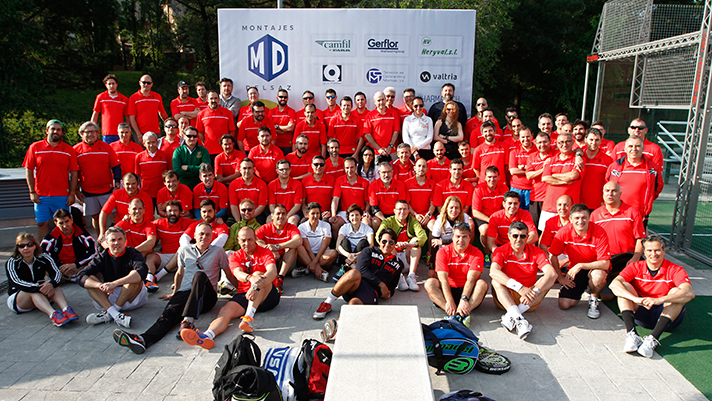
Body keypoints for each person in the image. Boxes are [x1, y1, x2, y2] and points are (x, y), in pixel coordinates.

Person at [113, 223, 233, 354]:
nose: (204, 237)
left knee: (199, 275)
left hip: (207, 297)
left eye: (208, 234)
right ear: (194, 236)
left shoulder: (218, 251)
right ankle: (143, 340)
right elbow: (180, 273)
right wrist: (175, 293)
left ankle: (188, 321)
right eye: (201, 234)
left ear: (212, 237)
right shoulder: (184, 250)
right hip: (187, 294)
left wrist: (240, 292)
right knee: (168, 315)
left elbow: (228, 273)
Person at [181, 226, 279, 346]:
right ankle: (208, 335)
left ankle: (248, 318)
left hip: (268, 295)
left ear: (255, 239)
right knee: (225, 311)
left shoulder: (265, 252)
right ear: (238, 240)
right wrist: (249, 279)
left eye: (250, 239)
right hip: (245, 293)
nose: (246, 243)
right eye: (243, 240)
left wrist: (255, 286)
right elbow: (237, 274)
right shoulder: (234, 256)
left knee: (258, 274)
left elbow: (272, 272)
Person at [610, 235, 695, 358]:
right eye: (649, 250)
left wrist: (659, 300)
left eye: (657, 250)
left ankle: (652, 339)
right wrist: (636, 299)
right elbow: (614, 284)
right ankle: (632, 335)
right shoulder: (636, 266)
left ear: (664, 250)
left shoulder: (675, 269)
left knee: (677, 292)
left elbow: (689, 293)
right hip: (642, 311)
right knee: (623, 288)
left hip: (665, 315)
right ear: (644, 252)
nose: (653, 254)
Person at [312, 228, 404, 320]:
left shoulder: (399, 264)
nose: (387, 245)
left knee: (353, 304)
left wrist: (388, 293)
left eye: (391, 243)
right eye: (384, 241)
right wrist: (381, 284)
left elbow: (392, 286)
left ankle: (338, 324)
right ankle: (327, 303)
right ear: (379, 242)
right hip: (356, 284)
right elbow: (361, 270)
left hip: (371, 292)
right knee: (354, 273)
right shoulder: (368, 251)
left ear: (395, 244)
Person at [490, 222, 558, 340]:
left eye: (522, 236)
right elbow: (493, 272)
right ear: (509, 236)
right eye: (515, 236)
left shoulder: (537, 252)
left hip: (528, 299)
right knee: (495, 281)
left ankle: (513, 316)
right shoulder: (500, 251)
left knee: (548, 279)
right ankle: (519, 319)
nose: (518, 239)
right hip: (506, 298)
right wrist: (519, 288)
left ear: (527, 237)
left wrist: (534, 291)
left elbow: (552, 273)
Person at [548, 204, 611, 319]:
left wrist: (581, 265)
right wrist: (560, 277)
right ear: (570, 219)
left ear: (589, 218)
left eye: (584, 217)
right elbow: (552, 256)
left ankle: (593, 298)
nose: (580, 221)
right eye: (577, 218)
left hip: (594, 268)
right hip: (575, 270)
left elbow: (605, 263)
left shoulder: (599, 232)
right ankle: (586, 287)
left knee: (597, 276)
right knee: (564, 305)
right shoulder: (563, 232)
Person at [79, 227, 148, 328]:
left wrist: (114, 283)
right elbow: (81, 275)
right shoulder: (102, 256)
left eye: (120, 239)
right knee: (90, 281)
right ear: (107, 242)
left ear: (125, 240)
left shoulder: (133, 253)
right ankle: (116, 315)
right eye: (113, 240)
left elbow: (142, 272)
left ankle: (109, 314)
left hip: (131, 297)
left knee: (134, 277)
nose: (116, 243)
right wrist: (101, 285)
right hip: (108, 296)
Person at [6, 232, 79, 327]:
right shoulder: (12, 262)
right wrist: (39, 287)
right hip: (19, 298)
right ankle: (53, 315)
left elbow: (56, 273)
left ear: (35, 246)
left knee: (52, 285)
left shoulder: (43, 257)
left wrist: (51, 284)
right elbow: (16, 282)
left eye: (29, 245)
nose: (26, 248)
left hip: (41, 292)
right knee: (34, 292)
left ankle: (66, 309)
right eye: (22, 246)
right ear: (18, 248)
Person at [23, 119, 79, 240]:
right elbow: (29, 170)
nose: (55, 131)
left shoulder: (69, 150)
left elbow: (74, 173)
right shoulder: (35, 147)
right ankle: (43, 251)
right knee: (42, 223)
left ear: (62, 133)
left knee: (64, 225)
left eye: (58, 129)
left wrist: (72, 193)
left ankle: (63, 250)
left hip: (62, 195)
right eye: (53, 129)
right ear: (47, 131)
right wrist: (32, 191)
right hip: (41, 195)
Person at [425, 222, 488, 321]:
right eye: (458, 236)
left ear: (470, 238)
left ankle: (460, 313)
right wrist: (449, 301)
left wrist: (464, 299)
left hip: (468, 291)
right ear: (453, 237)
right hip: (448, 290)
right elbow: (443, 280)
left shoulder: (477, 253)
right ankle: (451, 311)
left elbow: (471, 280)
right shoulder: (443, 252)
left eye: (464, 237)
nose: (460, 240)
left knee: (482, 284)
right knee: (429, 283)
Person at [591, 181, 645, 282]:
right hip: (606, 259)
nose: (610, 194)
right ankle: (594, 293)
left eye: (614, 191)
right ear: (603, 194)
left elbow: (640, 239)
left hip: (627, 258)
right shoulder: (595, 215)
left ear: (620, 194)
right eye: (607, 191)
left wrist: (635, 258)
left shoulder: (632, 212)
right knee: (606, 295)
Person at [73, 121, 121, 234]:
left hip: (107, 189)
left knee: (113, 213)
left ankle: (114, 236)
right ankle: (100, 237)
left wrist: (117, 185)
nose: (91, 134)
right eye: (88, 132)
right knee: (95, 216)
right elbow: (72, 172)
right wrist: (75, 190)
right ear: (81, 134)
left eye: (94, 132)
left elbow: (116, 166)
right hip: (88, 191)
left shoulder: (106, 147)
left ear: (98, 134)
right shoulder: (75, 150)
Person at [605, 135, 664, 226]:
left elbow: (657, 188)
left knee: (638, 240)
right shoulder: (614, 167)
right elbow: (607, 185)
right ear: (625, 148)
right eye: (630, 146)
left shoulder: (652, 168)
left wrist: (647, 201)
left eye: (637, 146)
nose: (634, 149)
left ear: (643, 148)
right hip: (617, 213)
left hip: (640, 215)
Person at [376, 200, 427, 292]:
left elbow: (423, 236)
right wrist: (393, 244)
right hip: (392, 258)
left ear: (408, 211)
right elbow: (378, 237)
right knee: (388, 242)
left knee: (416, 241)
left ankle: (411, 276)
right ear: (394, 210)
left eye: (405, 209)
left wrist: (411, 244)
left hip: (406, 256)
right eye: (399, 209)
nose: (402, 212)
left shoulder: (412, 221)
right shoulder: (387, 222)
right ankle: (399, 277)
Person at [540, 132, 585, 231]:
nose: (564, 145)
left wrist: (554, 176)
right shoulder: (551, 160)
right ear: (557, 144)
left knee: (569, 235)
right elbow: (544, 178)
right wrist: (564, 181)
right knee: (545, 235)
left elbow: (574, 175)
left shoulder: (578, 160)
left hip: (569, 208)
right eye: (561, 142)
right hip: (550, 206)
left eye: (568, 142)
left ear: (573, 142)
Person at [41, 209, 97, 282]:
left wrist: (75, 265)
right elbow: (43, 254)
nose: (65, 226)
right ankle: (72, 277)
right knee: (44, 268)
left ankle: (65, 277)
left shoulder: (82, 234)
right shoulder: (50, 238)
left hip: (79, 265)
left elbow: (93, 252)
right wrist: (60, 267)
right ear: (56, 223)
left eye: (67, 221)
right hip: (60, 268)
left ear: (71, 220)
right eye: (61, 223)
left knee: (94, 266)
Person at [114, 198, 159, 291]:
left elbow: (151, 242)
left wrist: (132, 251)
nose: (137, 211)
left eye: (140, 208)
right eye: (134, 209)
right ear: (129, 210)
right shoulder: (123, 223)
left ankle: (149, 280)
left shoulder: (149, 225)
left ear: (144, 210)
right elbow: (105, 240)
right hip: (126, 258)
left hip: (142, 256)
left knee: (151, 256)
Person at [256, 204, 302, 293]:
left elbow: (298, 241)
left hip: (285, 262)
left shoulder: (291, 227)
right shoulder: (266, 227)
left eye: (283, 214)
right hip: (270, 261)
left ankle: (280, 278)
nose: (281, 216)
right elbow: (255, 240)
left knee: (292, 248)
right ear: (272, 216)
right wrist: (269, 249)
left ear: (286, 216)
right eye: (278, 214)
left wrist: (277, 246)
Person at [148, 200, 194, 284]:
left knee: (182, 249)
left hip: (181, 259)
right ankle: (149, 280)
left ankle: (158, 276)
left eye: (175, 210)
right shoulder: (159, 223)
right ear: (165, 213)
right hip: (164, 255)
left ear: (180, 212)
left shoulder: (189, 223)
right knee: (150, 257)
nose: (172, 213)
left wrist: (218, 220)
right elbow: (144, 224)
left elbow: (204, 223)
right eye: (169, 211)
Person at [98, 172, 153, 240]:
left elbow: (148, 220)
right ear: (123, 184)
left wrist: (131, 220)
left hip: (140, 230)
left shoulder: (146, 197)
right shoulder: (116, 195)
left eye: (133, 184)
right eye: (127, 184)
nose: (130, 186)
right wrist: (102, 233)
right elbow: (103, 213)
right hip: (121, 228)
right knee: (103, 242)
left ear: (138, 183)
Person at [430, 196, 473, 273]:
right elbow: (434, 244)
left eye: (456, 208)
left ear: (460, 209)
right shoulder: (440, 220)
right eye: (451, 207)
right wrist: (431, 268)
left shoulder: (465, 217)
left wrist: (443, 241)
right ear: (446, 208)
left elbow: (465, 239)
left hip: (460, 248)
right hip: (444, 252)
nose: (454, 210)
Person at [296, 203, 338, 281]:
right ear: (307, 214)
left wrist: (314, 262)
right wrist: (317, 266)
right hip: (308, 255)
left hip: (322, 255)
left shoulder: (326, 225)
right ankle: (318, 271)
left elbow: (324, 245)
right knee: (298, 247)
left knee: (333, 253)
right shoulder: (302, 227)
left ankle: (307, 269)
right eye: (313, 213)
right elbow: (307, 248)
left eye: (317, 213)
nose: (316, 216)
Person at [470, 166, 508, 248]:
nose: (492, 179)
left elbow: (506, 208)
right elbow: (475, 212)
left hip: (499, 217)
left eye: (495, 177)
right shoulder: (479, 189)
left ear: (499, 177)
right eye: (489, 177)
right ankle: (488, 253)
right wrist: (490, 219)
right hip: (483, 218)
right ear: (485, 178)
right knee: (485, 229)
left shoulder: (504, 188)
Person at [334, 204, 374, 281]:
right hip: (346, 256)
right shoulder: (344, 227)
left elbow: (371, 246)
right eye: (352, 215)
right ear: (348, 217)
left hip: (359, 256)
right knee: (344, 242)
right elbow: (337, 246)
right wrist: (349, 255)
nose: (354, 217)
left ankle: (347, 267)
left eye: (357, 215)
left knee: (363, 242)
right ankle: (355, 269)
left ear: (361, 216)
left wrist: (356, 256)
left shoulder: (367, 229)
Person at [330, 157, 371, 231]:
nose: (349, 170)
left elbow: (367, 202)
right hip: (344, 213)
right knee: (335, 223)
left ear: (356, 167)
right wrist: (333, 215)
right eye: (347, 168)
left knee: (366, 223)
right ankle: (339, 242)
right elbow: (335, 199)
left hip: (360, 212)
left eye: (352, 167)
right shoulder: (339, 180)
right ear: (344, 168)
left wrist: (366, 213)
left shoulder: (365, 182)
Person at [526, 132, 555, 227]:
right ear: (535, 143)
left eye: (545, 142)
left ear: (550, 142)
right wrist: (543, 169)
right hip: (536, 197)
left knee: (549, 227)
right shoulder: (532, 157)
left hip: (551, 198)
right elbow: (529, 176)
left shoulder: (556, 155)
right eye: (539, 142)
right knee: (534, 226)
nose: (542, 145)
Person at [580, 128, 613, 210]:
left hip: (598, 204)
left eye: (597, 140)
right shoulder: (578, 157)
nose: (594, 143)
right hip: (578, 203)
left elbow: (609, 182)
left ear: (601, 140)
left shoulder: (608, 160)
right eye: (591, 139)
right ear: (585, 139)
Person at [127, 74, 167, 141]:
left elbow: (162, 113)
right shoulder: (133, 98)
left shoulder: (157, 97)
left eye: (148, 83)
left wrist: (169, 125)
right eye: (144, 82)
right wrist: (138, 134)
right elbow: (132, 118)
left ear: (151, 84)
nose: (146, 84)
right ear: (139, 83)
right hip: (141, 133)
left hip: (156, 132)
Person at [197, 91, 236, 158]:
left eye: (215, 98)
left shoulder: (228, 113)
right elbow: (200, 132)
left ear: (218, 99)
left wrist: (227, 145)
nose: (213, 100)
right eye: (211, 98)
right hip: (208, 151)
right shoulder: (201, 114)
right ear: (207, 99)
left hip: (224, 151)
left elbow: (231, 131)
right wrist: (206, 143)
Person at [228, 158, 269, 223]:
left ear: (254, 170)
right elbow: (233, 206)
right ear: (240, 170)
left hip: (256, 215)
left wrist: (249, 218)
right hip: (238, 215)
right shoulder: (233, 184)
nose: (247, 171)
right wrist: (239, 222)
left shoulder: (262, 184)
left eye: (249, 168)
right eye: (244, 168)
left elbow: (262, 206)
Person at [362, 92, 400, 159]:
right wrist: (379, 149)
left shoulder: (394, 114)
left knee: (393, 169)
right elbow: (367, 134)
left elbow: (396, 131)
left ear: (385, 100)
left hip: (391, 151)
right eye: (378, 100)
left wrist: (390, 147)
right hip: (375, 152)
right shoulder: (369, 115)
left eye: (383, 99)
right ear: (374, 102)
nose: (381, 102)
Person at [91, 74, 128, 143]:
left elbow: (127, 116)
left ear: (116, 84)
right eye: (109, 84)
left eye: (113, 83)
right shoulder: (100, 97)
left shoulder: (124, 99)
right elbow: (95, 113)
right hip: (106, 133)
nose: (111, 86)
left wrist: (128, 130)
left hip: (121, 133)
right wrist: (92, 129)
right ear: (106, 85)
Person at [368, 161, 406, 229]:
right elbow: (374, 208)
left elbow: (401, 204)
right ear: (379, 173)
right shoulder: (373, 185)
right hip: (380, 215)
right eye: (384, 172)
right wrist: (385, 220)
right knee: (375, 223)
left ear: (392, 172)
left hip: (396, 214)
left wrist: (395, 218)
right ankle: (375, 239)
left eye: (389, 172)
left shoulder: (400, 185)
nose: (386, 175)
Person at [136, 132, 171, 201]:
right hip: (146, 192)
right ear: (144, 144)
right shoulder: (139, 157)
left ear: (157, 142)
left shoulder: (166, 155)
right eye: (148, 143)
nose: (151, 145)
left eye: (153, 142)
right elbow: (138, 175)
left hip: (162, 192)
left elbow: (169, 173)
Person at [268, 159, 304, 226]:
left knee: (292, 221)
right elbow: (271, 205)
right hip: (277, 213)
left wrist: (286, 216)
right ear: (277, 171)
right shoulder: (271, 185)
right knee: (269, 221)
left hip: (292, 213)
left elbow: (297, 205)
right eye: (282, 169)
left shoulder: (297, 184)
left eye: (287, 169)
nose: (285, 171)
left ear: (290, 170)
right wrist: (278, 216)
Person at [509, 126, 536, 210]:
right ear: (519, 138)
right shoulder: (514, 152)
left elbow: (541, 169)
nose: (526, 139)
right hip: (516, 188)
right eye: (523, 137)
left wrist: (522, 168)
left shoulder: (538, 151)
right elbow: (513, 171)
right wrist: (530, 170)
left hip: (533, 189)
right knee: (515, 212)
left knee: (530, 214)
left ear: (532, 136)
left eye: (528, 136)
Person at [539, 195, 573, 262]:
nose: (562, 208)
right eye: (559, 205)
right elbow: (543, 244)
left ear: (571, 206)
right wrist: (547, 257)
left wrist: (565, 261)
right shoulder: (550, 222)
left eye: (566, 205)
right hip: (556, 255)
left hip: (573, 257)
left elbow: (583, 249)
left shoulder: (576, 222)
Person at [405, 158, 436, 228]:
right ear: (414, 168)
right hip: (412, 214)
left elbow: (433, 203)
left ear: (427, 169)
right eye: (419, 166)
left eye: (424, 166)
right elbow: (407, 203)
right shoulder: (407, 183)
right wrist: (416, 215)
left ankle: (432, 239)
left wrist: (428, 215)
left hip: (427, 215)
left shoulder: (433, 184)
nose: (421, 168)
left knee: (433, 226)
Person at [302, 155, 335, 220]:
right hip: (310, 213)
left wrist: (331, 212)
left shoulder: (332, 180)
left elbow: (335, 200)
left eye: (321, 164)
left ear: (325, 166)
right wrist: (306, 214)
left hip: (325, 213)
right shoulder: (305, 181)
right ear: (312, 165)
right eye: (316, 164)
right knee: (302, 224)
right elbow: (303, 203)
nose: (319, 167)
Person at [269, 89, 297, 155]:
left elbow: (291, 128)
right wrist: (285, 129)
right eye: (281, 97)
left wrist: (276, 127)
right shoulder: (271, 111)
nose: (283, 99)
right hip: (274, 144)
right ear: (277, 97)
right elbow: (269, 128)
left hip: (287, 145)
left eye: (285, 97)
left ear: (288, 98)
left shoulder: (291, 111)